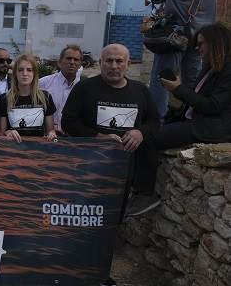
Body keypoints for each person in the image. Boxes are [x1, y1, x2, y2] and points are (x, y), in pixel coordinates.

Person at [62, 43, 160, 247]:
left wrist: (139, 132)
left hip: (124, 168)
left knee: (115, 213)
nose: (114, 66)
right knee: (84, 212)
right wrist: (97, 136)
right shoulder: (84, 88)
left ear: (128, 64)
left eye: (119, 61)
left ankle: (104, 254)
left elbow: (154, 121)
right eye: (109, 60)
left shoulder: (141, 91)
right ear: (100, 63)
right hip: (88, 167)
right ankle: (77, 248)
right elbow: (68, 122)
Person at [149, 0, 220, 119]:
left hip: (176, 34)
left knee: (163, 77)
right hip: (202, 36)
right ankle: (190, 117)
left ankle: (157, 120)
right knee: (193, 81)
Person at [156, 23, 231, 148]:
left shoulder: (228, 70)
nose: (197, 48)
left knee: (149, 138)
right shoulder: (209, 67)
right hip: (194, 122)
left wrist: (178, 89)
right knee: (146, 132)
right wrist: (176, 90)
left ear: (215, 43)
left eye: (201, 43)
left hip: (210, 129)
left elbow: (212, 106)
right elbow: (197, 98)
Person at [0, 54, 57, 142]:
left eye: (29, 70)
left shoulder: (45, 97)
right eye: (20, 70)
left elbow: (50, 130)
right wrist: (8, 132)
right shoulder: (4, 98)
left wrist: (52, 133)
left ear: (34, 73)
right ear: (15, 73)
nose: (25, 74)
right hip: (13, 148)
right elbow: (2, 133)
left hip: (39, 149)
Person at [39, 45, 82, 134]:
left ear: (80, 65)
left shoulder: (83, 88)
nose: (72, 62)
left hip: (73, 139)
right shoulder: (43, 84)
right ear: (59, 62)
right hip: (47, 137)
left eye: (76, 60)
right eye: (68, 58)